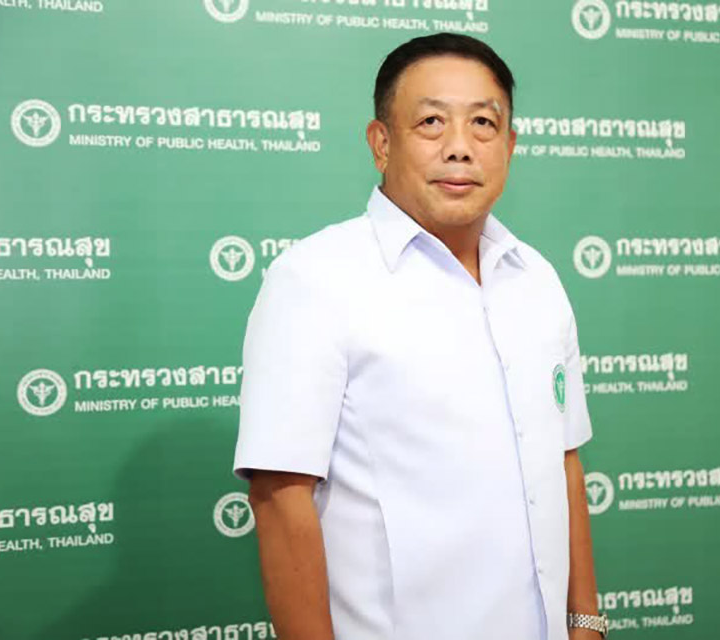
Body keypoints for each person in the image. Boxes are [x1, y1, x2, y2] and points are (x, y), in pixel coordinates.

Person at [233, 33, 606, 640]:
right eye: (431, 122)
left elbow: (563, 462)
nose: (460, 147)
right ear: (381, 143)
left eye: (483, 124)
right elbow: (280, 497)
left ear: (510, 145)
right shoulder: (315, 279)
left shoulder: (536, 278)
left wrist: (585, 623)